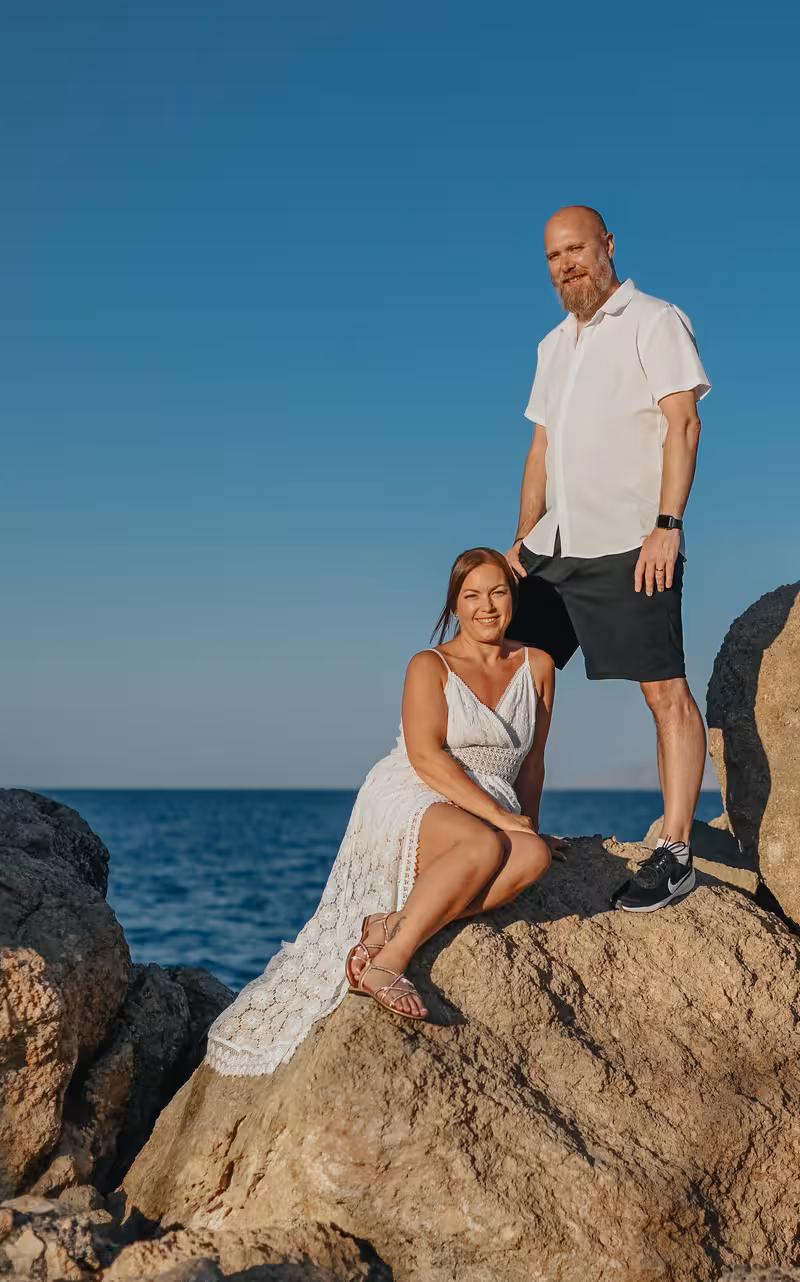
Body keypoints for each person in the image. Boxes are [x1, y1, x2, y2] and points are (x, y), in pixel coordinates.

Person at [205, 548, 557, 1074]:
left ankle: (387, 923)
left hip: (491, 802)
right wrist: (501, 819)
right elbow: (425, 757)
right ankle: (387, 962)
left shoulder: (539, 664)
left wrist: (528, 823)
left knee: (532, 858)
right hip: (416, 790)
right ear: (454, 605)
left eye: (499, 592)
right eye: (472, 596)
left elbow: (531, 765)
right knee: (483, 845)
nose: (487, 607)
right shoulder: (429, 665)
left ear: (514, 598)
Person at [504, 205, 710, 914]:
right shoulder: (551, 346)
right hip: (555, 546)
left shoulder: (656, 321)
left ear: (607, 247)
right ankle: (517, 832)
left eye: (576, 250)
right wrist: (521, 540)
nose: (566, 265)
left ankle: (677, 852)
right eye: (554, 257)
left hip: (632, 540)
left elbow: (684, 422)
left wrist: (667, 525)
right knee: (520, 681)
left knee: (664, 693)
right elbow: (541, 452)